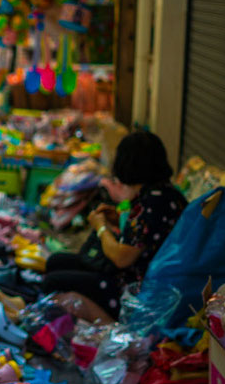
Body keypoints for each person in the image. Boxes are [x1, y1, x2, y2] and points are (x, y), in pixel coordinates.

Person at [42, 131, 188, 321]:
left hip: (134, 287)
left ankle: (111, 329)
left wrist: (101, 227)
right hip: (143, 277)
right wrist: (118, 217)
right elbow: (143, 234)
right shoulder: (167, 195)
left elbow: (122, 258)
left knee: (54, 281)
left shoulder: (151, 203)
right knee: (57, 261)